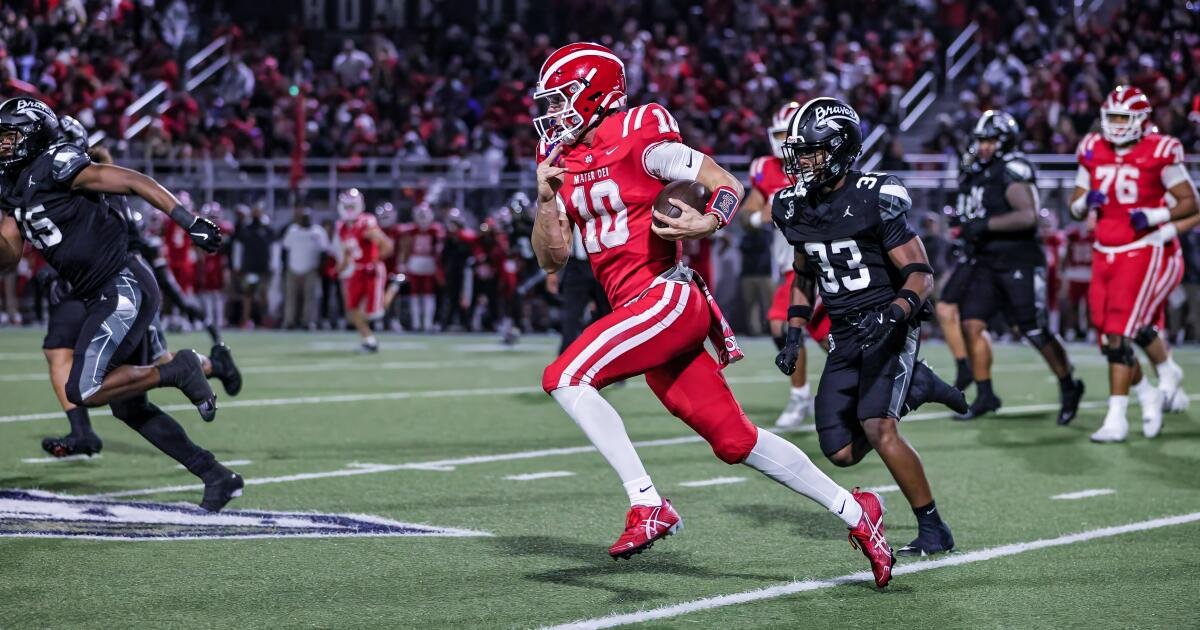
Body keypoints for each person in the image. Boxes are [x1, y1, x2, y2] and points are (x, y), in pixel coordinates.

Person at [530, 44, 895, 587]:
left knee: (565, 376)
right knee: (735, 441)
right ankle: (857, 510)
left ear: (595, 95)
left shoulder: (640, 133)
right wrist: (544, 202)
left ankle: (647, 502)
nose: (554, 115)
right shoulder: (559, 160)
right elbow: (551, 257)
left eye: (561, 101)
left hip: (666, 298)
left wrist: (709, 223)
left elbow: (728, 183)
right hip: (639, 312)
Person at [0, 96, 242, 511]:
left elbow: (133, 181)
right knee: (128, 408)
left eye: (8, 136)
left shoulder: (56, 163)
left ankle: (180, 369)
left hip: (123, 284)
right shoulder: (12, 186)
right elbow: (8, 257)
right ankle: (216, 475)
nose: (2, 145)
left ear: (33, 134)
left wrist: (189, 222)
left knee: (85, 387)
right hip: (99, 294)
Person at [772, 97, 967, 557]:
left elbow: (921, 273)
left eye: (811, 152)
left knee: (878, 427)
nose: (801, 162)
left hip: (889, 320)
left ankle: (933, 527)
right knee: (839, 449)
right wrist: (795, 334)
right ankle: (915, 385)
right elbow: (804, 273)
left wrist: (896, 313)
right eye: (798, 153)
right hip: (843, 328)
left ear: (840, 149)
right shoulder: (794, 207)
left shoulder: (874, 196)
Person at [39, 138, 243, 459]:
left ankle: (214, 365)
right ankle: (83, 431)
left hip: (125, 290)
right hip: (96, 291)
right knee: (67, 357)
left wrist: (176, 292)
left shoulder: (104, 194)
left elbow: (137, 247)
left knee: (154, 365)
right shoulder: (64, 195)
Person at [1071, 87, 1198, 442]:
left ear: (1141, 121)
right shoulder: (1092, 148)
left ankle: (1118, 416)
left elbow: (1192, 203)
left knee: (1120, 331)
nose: (1115, 125)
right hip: (1103, 249)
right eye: (1111, 117)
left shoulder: (1160, 151)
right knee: (1105, 332)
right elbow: (1076, 200)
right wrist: (1083, 205)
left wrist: (1157, 216)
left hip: (1143, 248)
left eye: (1122, 118)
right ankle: (1152, 387)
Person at [948, 110, 1085, 422]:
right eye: (981, 140)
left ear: (1004, 141)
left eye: (990, 140)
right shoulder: (981, 170)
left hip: (1018, 260)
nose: (983, 146)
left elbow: (1027, 215)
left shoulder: (1012, 168)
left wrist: (985, 224)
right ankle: (985, 394)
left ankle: (1068, 385)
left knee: (1033, 329)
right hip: (986, 260)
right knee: (971, 323)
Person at [742, 101, 830, 428]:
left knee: (781, 322)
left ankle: (800, 395)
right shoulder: (765, 168)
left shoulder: (820, 164)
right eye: (777, 133)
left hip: (815, 261)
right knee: (826, 336)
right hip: (788, 262)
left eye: (786, 132)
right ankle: (866, 387)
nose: (782, 140)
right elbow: (749, 215)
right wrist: (757, 215)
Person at [336, 188, 393, 352]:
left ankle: (394, 287)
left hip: (371, 270)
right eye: (346, 206)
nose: (348, 210)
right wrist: (341, 268)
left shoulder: (366, 223)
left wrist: (374, 261)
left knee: (375, 312)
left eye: (351, 206)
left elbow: (387, 245)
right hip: (356, 270)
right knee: (352, 308)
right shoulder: (342, 227)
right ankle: (369, 340)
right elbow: (347, 253)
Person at [393, 202, 444, 332]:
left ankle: (427, 322)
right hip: (415, 262)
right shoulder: (410, 230)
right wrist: (402, 263)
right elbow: (404, 247)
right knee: (414, 293)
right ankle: (416, 322)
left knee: (428, 293)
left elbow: (440, 249)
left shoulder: (436, 230)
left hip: (429, 262)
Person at [281, 208, 329, 329]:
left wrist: (320, 268)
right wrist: (285, 267)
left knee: (310, 297)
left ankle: (307, 322)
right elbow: (285, 250)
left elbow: (324, 251)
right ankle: (290, 321)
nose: (305, 220)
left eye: (307, 217)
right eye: (303, 218)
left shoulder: (318, 232)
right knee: (291, 296)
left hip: (311, 269)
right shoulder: (292, 230)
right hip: (293, 268)